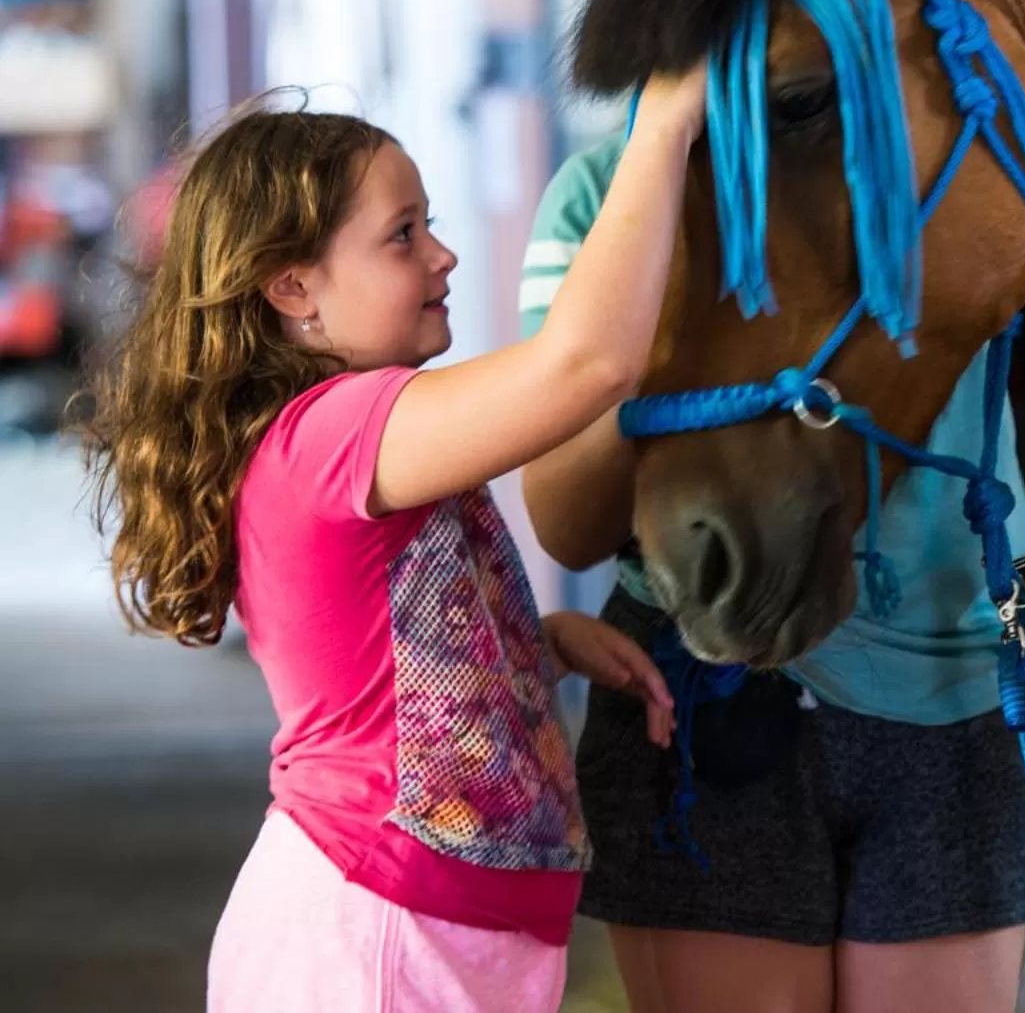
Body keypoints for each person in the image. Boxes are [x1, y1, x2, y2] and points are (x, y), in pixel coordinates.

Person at [518, 0, 1025, 1013]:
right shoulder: (592, 202)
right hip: (709, 700)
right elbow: (567, 510)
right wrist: (654, 202)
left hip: (941, 685)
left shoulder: (916, 147)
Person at [79, 71, 703, 1012]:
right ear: (294, 287)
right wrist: (665, 116)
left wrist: (527, 648)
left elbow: (378, 648)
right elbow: (590, 362)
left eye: (430, 223)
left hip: (428, 934)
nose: (443, 255)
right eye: (403, 235)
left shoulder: (339, 438)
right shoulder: (333, 430)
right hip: (372, 937)